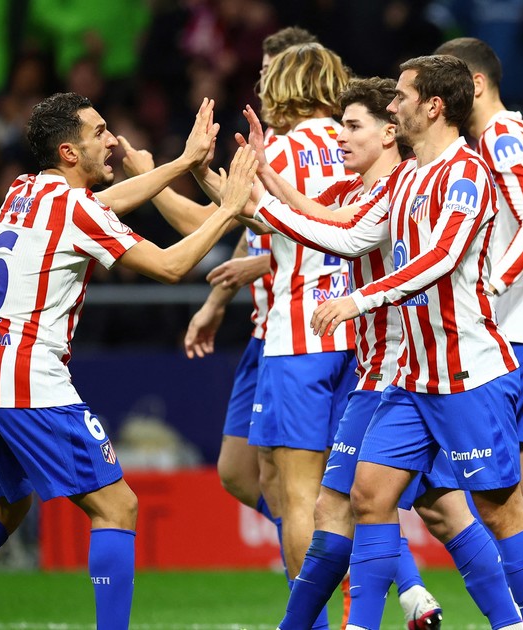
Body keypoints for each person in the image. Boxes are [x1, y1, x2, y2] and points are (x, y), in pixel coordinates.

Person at [0, 91, 256, 630]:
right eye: (99, 133)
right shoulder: (76, 210)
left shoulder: (22, 191)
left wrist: (183, 163)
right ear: (69, 152)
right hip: (28, 373)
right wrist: (230, 208)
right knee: (117, 507)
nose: (112, 140)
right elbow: (171, 267)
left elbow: (105, 204)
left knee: (4, 507)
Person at [242, 55, 523, 630]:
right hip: (411, 378)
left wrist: (358, 301)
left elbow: (440, 259)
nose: (392, 105)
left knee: (498, 510)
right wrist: (259, 203)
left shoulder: (468, 173)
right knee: (366, 496)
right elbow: (350, 235)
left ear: (433, 106)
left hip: (468, 373)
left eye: (401, 96)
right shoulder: (408, 177)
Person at [247, 77, 456, 630]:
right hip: (373, 365)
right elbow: (324, 216)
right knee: (358, 504)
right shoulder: (364, 187)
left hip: (400, 368)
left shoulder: (405, 182)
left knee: (461, 506)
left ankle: (513, 614)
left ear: (390, 132)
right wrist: (263, 180)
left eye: (353, 125)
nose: (341, 135)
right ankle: (411, 600)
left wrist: (258, 198)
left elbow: (345, 237)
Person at [121, 25, 321, 576]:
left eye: (272, 72)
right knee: (241, 472)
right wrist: (217, 300)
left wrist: (154, 178)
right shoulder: (277, 145)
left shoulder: (294, 149)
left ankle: (368, 577)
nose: (263, 83)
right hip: (268, 323)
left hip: (301, 328)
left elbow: (326, 235)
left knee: (302, 482)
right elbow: (243, 228)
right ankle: (319, 555)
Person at [434, 36, 523, 618]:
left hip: (516, 329)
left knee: (470, 480)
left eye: (448, 85)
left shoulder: (501, 137)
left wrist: (491, 286)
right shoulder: (522, 134)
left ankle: (516, 605)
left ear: (475, 83)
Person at [243, 45, 356, 622]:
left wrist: (199, 173)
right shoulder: (360, 141)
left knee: (299, 495)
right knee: (348, 493)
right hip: (358, 332)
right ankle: (365, 610)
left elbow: (248, 215)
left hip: (297, 335)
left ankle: (310, 619)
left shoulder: (281, 151)